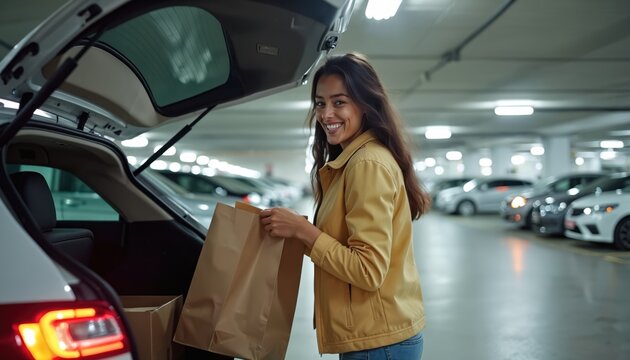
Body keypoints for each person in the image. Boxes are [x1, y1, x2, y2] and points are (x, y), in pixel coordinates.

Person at [260, 52, 430, 359]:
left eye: (339, 102)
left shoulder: (365, 164)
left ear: (365, 104)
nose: (326, 114)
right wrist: (299, 233)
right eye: (321, 103)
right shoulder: (353, 161)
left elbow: (368, 270)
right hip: (375, 334)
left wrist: (304, 232)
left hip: (378, 343)